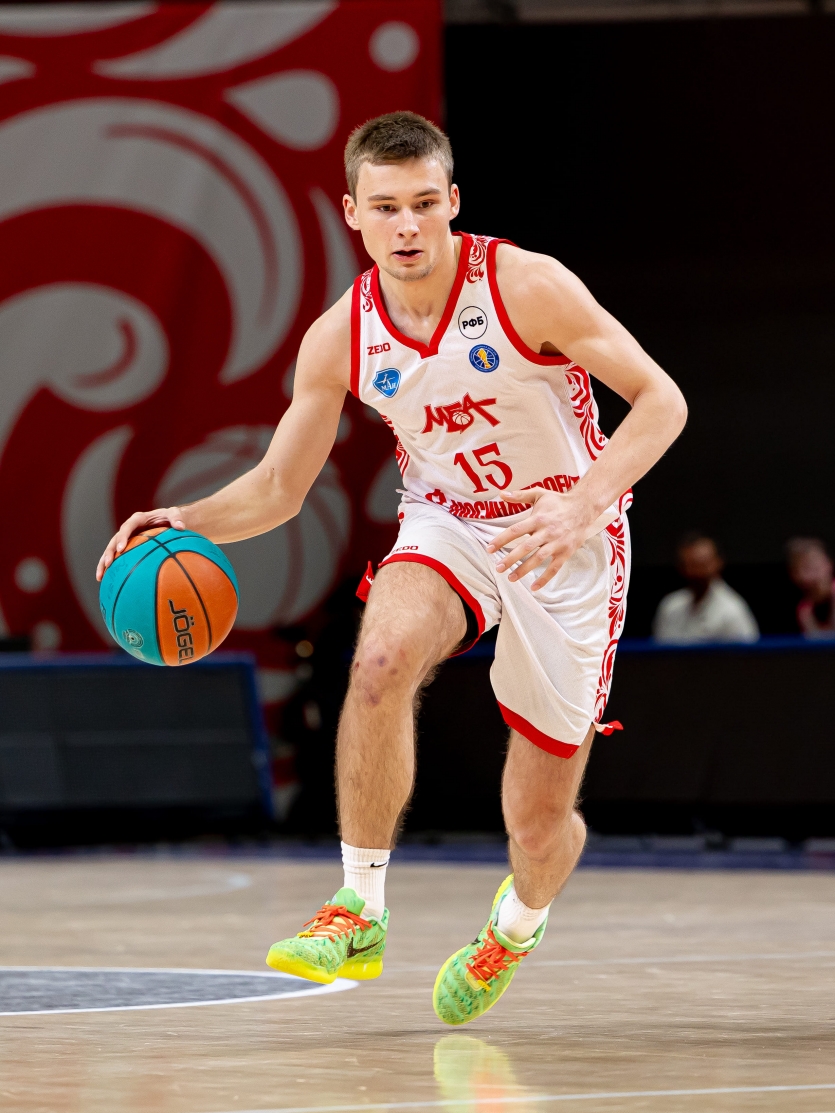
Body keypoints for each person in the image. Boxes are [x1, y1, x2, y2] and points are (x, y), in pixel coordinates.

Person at [97, 112, 686, 1025]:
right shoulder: (340, 336)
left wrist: (581, 503)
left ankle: (516, 925)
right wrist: (185, 519)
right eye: (385, 208)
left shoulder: (526, 286)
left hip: (564, 535)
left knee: (536, 826)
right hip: (448, 522)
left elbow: (661, 401)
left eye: (422, 204)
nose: (406, 226)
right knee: (377, 660)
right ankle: (358, 907)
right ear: (352, 213)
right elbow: (279, 487)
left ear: (451, 201)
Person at [653, 532, 758, 644]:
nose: (695, 571)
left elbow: (747, 653)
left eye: (702, 564)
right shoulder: (670, 606)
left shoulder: (732, 610)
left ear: (718, 563)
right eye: (689, 564)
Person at [786, 537, 835, 638]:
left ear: (829, 564)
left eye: (817, 565)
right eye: (807, 567)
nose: (816, 573)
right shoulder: (804, 610)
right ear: (795, 574)